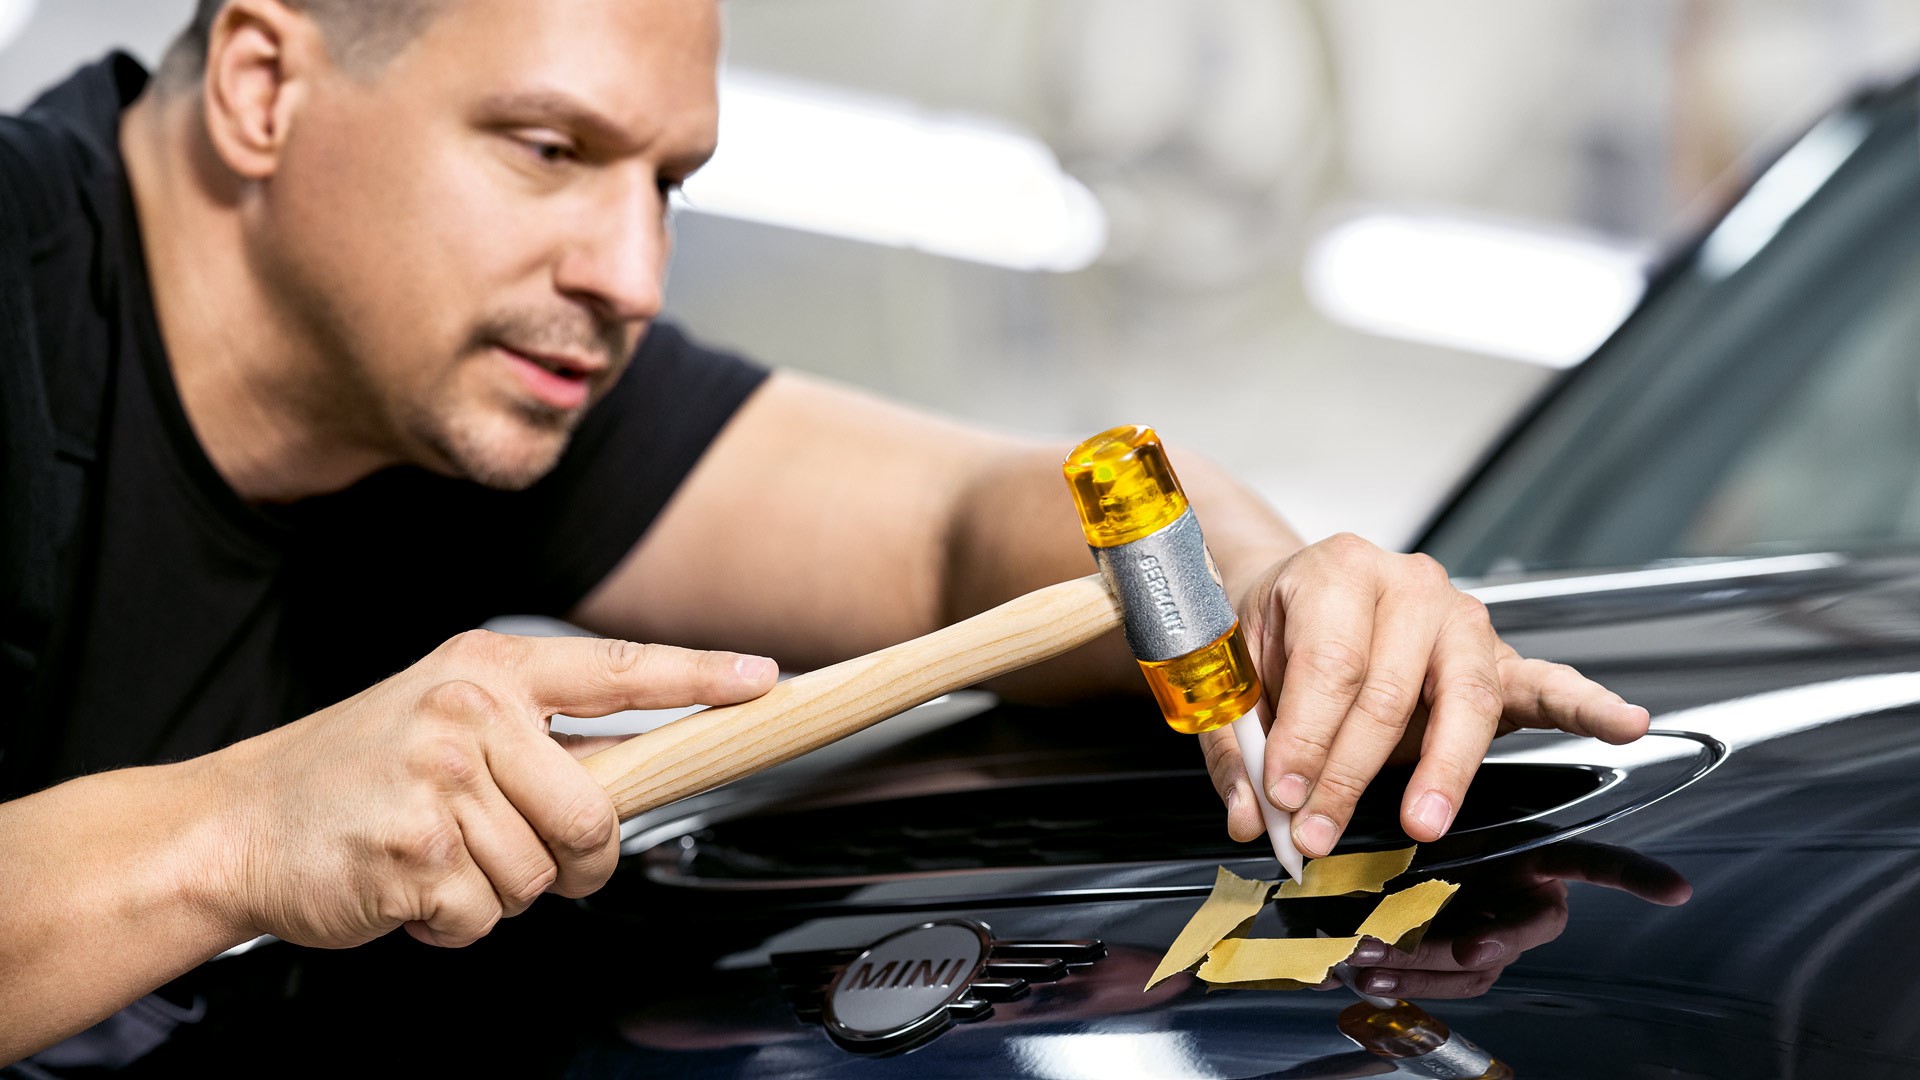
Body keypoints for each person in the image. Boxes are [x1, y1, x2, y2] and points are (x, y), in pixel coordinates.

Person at [0, 0, 1651, 1063]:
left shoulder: (481, 369)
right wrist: (233, 834)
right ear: (264, 85)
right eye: (550, 151)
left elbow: (956, 532)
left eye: (666, 187)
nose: (628, 275)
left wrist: (1271, 591)